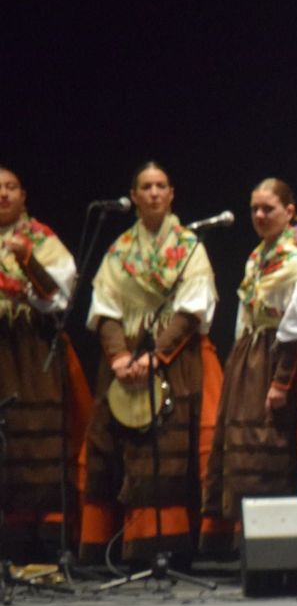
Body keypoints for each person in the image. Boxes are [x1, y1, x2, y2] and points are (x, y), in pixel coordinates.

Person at [199, 179, 297, 553]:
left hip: (288, 363)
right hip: (252, 360)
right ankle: (255, 543)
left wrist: (281, 382)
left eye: (267, 208)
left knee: (283, 448)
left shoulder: (296, 260)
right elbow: (245, 316)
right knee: (248, 445)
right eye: (254, 208)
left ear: (290, 212)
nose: (258, 215)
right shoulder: (257, 258)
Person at [81, 162, 222, 564]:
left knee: (170, 444)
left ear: (172, 193)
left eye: (161, 186)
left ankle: (170, 546)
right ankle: (124, 545)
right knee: (118, 447)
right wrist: (121, 355)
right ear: (135, 195)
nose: (155, 193)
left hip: (173, 358)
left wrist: (155, 355)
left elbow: (193, 308)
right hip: (124, 361)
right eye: (146, 186)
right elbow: (104, 308)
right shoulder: (120, 249)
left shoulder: (190, 246)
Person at [0, 165, 92, 559]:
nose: (2, 194)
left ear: (23, 195)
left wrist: (28, 261)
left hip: (31, 345)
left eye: (10, 187)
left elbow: (58, 295)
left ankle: (42, 544)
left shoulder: (41, 238)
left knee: (35, 436)